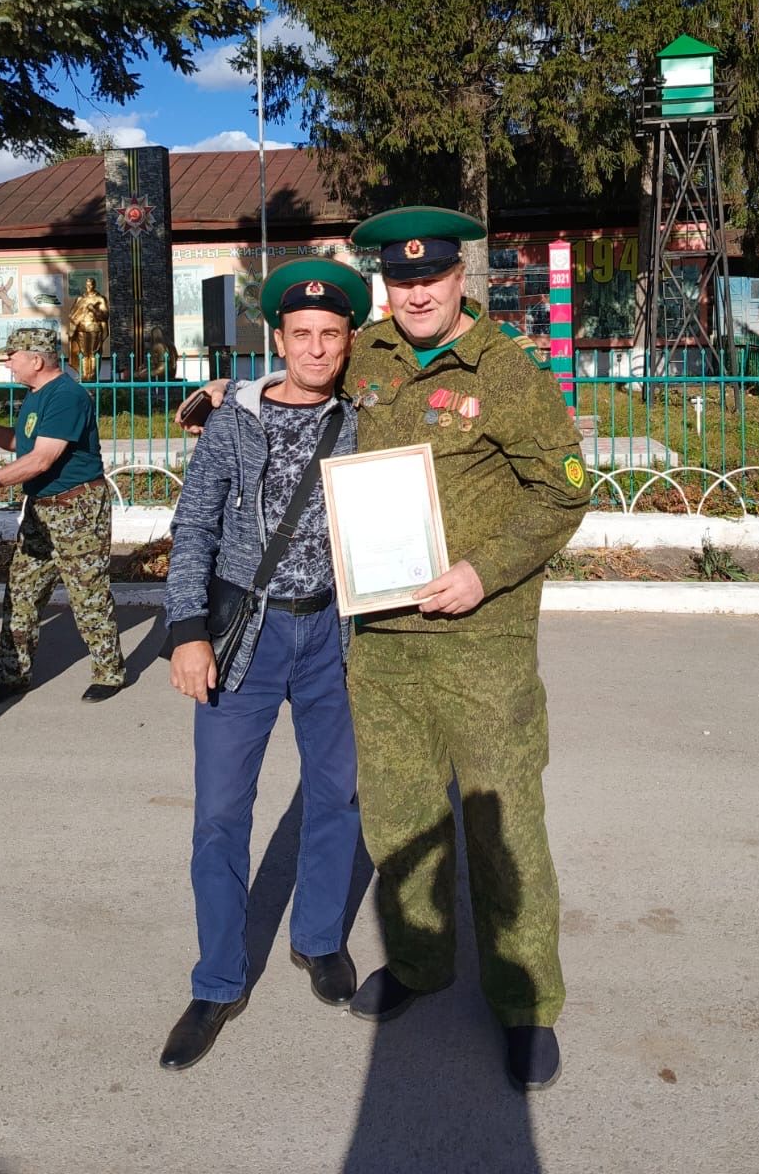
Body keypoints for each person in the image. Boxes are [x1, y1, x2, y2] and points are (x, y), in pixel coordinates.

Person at [184, 211, 589, 1091]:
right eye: (402, 283)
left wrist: (485, 571)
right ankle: (416, 963)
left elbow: (561, 496)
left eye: (432, 279)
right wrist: (230, 396)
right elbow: (303, 369)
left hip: (479, 639)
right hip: (376, 642)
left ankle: (525, 1003)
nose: (417, 294)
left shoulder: (508, 372)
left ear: (457, 279)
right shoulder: (366, 351)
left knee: (500, 821)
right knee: (400, 818)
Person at [159, 258, 370, 1072]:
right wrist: (186, 632)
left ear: (349, 342)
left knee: (335, 795)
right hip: (243, 637)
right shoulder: (230, 423)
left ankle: (318, 938)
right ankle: (217, 980)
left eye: (332, 335)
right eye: (302, 335)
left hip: (332, 638)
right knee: (219, 815)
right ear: (277, 340)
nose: (316, 349)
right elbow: (194, 530)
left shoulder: (363, 421)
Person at [0, 327, 126, 704]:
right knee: (21, 593)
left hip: (76, 509)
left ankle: (109, 673)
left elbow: (42, 459)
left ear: (36, 359)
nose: (7, 363)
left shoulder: (66, 396)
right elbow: (23, 442)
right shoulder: (35, 395)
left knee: (87, 594)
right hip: (41, 510)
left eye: (12, 356)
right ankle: (13, 676)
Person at [67, 276, 108, 380]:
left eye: (91, 284)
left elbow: (105, 315)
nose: (89, 286)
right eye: (87, 285)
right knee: (83, 354)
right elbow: (72, 314)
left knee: (93, 354)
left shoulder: (100, 299)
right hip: (81, 329)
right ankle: (84, 377)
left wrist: (93, 310)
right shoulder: (81, 299)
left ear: (94, 285)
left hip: (95, 329)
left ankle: (92, 378)